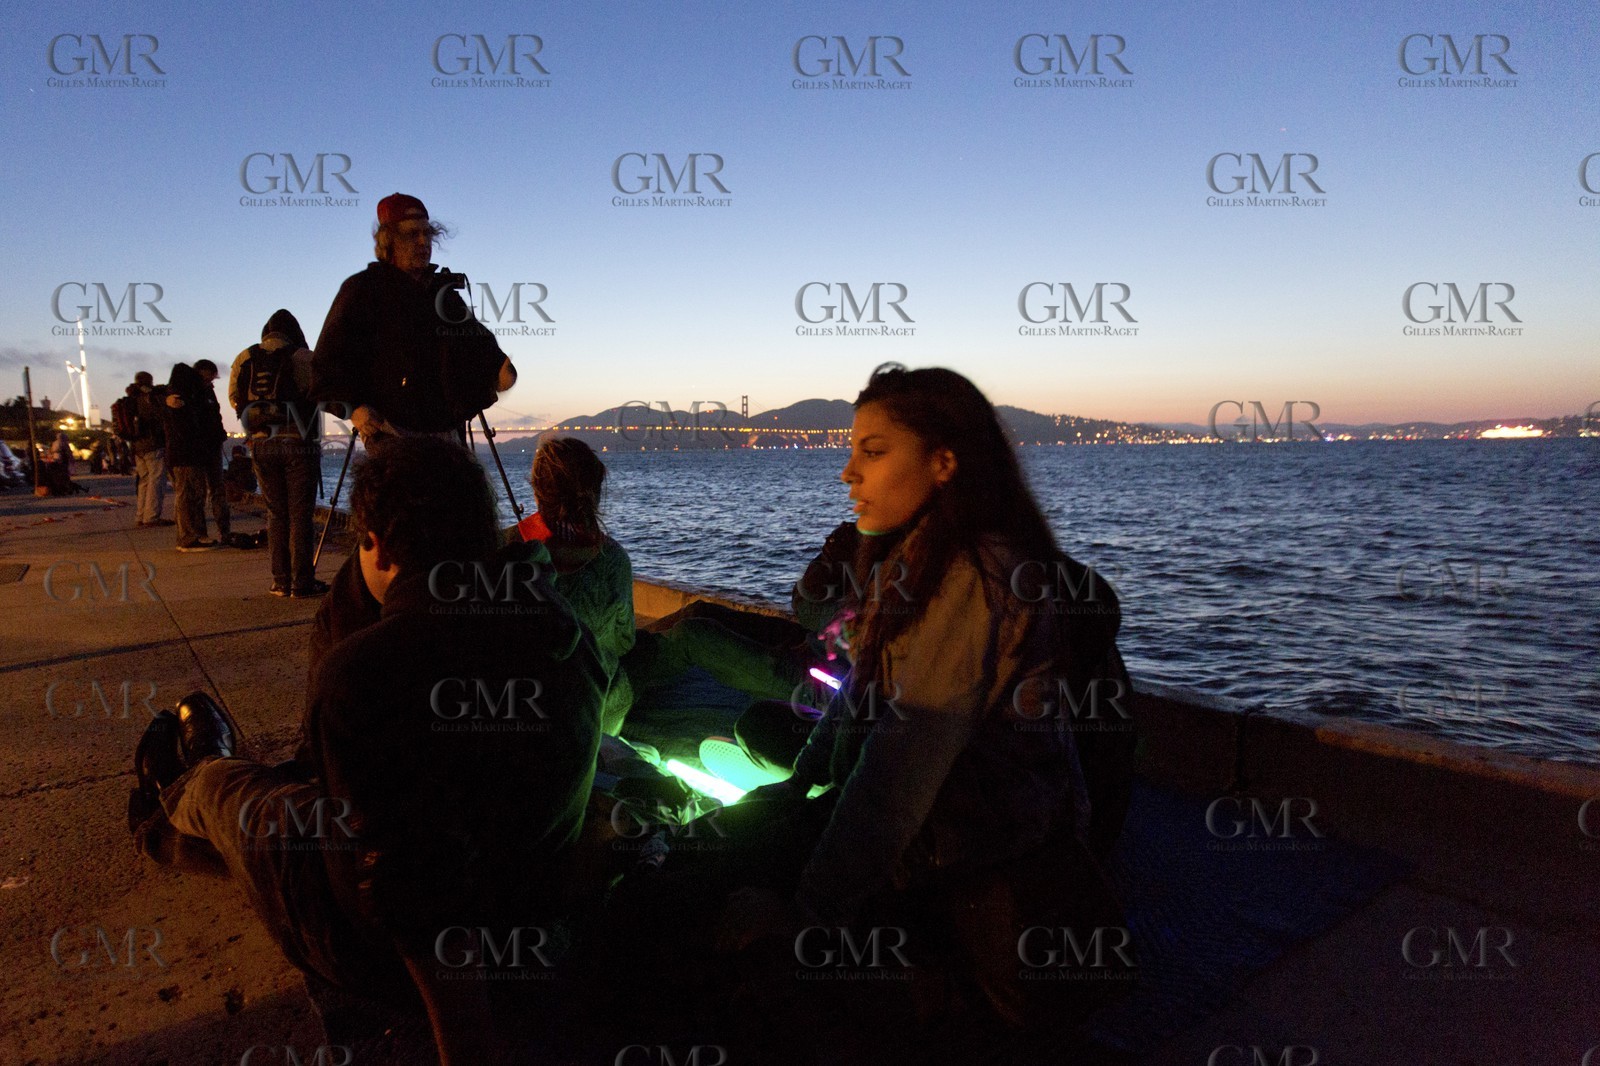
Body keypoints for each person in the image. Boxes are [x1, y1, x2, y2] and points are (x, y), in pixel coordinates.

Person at [602, 365, 1131, 1056]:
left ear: (945, 463)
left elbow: (894, 784)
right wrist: (798, 785)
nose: (847, 473)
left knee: (657, 923)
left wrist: (803, 919)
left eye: (873, 452)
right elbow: (863, 699)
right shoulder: (914, 560)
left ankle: (918, 991)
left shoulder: (976, 577)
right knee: (689, 874)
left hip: (957, 871)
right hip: (925, 843)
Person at [128, 436, 606, 1065]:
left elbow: (413, 909)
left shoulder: (363, 676)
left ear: (373, 541)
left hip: (375, 955)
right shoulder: (564, 632)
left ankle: (181, 792)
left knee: (236, 795)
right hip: (533, 920)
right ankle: (189, 798)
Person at [311, 193, 516, 447]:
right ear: (389, 241)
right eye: (412, 234)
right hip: (391, 433)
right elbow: (325, 364)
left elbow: (479, 345)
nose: (423, 242)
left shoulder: (445, 296)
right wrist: (353, 409)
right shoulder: (363, 290)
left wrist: (499, 369)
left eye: (427, 234)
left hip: (448, 433)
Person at [514, 436, 634, 735]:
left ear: (538, 491)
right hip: (600, 706)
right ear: (595, 492)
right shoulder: (613, 559)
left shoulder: (508, 548)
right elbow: (624, 642)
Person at [229, 309, 327, 597]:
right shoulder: (302, 356)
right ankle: (302, 582)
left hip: (261, 443)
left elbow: (235, 398)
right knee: (300, 514)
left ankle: (280, 581)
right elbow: (324, 392)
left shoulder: (244, 358)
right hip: (298, 442)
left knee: (276, 513)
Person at [164, 359, 231, 552]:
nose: (211, 382)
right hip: (188, 452)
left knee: (199, 493)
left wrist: (218, 434)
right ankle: (189, 537)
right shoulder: (179, 394)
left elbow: (212, 416)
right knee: (189, 494)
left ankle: (201, 534)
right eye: (209, 377)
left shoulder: (203, 392)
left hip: (205, 448)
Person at [127, 372, 173, 527]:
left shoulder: (131, 397)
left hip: (137, 446)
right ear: (149, 381)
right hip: (153, 443)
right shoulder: (149, 397)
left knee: (144, 480)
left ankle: (140, 515)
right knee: (157, 480)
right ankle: (152, 516)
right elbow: (162, 416)